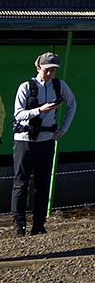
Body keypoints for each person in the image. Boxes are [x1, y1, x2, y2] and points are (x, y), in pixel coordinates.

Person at [11, 52, 76, 238]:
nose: (50, 73)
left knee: (43, 183)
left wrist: (63, 130)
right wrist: (40, 110)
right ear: (38, 67)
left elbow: (72, 104)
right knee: (21, 183)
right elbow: (18, 114)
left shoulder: (59, 86)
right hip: (24, 140)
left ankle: (38, 225)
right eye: (47, 70)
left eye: (53, 70)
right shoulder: (26, 86)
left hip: (47, 140)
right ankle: (18, 225)